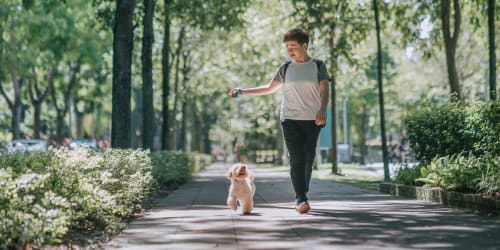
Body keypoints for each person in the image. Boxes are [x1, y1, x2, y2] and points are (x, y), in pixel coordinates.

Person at [229, 28, 330, 214]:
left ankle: (302, 191)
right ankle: (301, 198)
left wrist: (322, 110)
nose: (289, 50)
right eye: (287, 47)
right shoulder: (286, 68)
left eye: (293, 46)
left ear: (304, 45)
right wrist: (243, 91)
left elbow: (325, 91)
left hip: (312, 119)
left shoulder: (318, 65)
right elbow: (268, 88)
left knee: (308, 160)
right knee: (297, 159)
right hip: (289, 119)